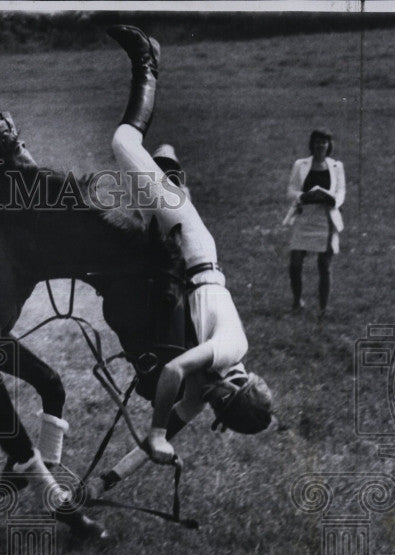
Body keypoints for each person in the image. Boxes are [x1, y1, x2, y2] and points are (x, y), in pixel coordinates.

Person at [102, 25, 273, 474]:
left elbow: (146, 449)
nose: (208, 406)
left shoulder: (206, 390)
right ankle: (147, 63)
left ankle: (168, 167)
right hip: (189, 244)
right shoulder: (232, 347)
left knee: (111, 219)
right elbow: (173, 373)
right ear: (236, 383)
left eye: (213, 410)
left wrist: (101, 485)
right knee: (123, 144)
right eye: (220, 404)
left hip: (173, 267)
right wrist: (158, 432)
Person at [283, 130, 345, 316]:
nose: (320, 146)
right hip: (305, 217)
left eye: (324, 142)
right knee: (295, 263)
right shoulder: (300, 165)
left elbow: (341, 191)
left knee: (324, 265)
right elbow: (291, 191)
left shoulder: (336, 166)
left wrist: (333, 200)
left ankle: (323, 307)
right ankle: (297, 301)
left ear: (329, 145)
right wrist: (304, 196)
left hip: (326, 219)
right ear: (312, 144)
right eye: (317, 142)